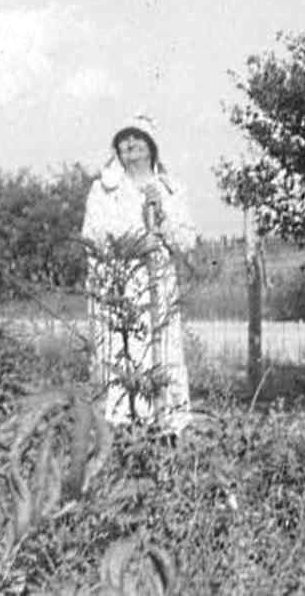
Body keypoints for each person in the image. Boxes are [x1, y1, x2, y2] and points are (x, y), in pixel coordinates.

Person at [81, 113, 197, 433]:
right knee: (120, 354)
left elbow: (186, 242)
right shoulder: (103, 190)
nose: (129, 144)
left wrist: (162, 217)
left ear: (151, 147)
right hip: (120, 285)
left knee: (163, 351)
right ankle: (120, 429)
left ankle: (165, 424)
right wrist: (133, 243)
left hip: (159, 287)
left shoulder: (171, 190)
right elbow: (92, 234)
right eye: (123, 138)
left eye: (137, 138)